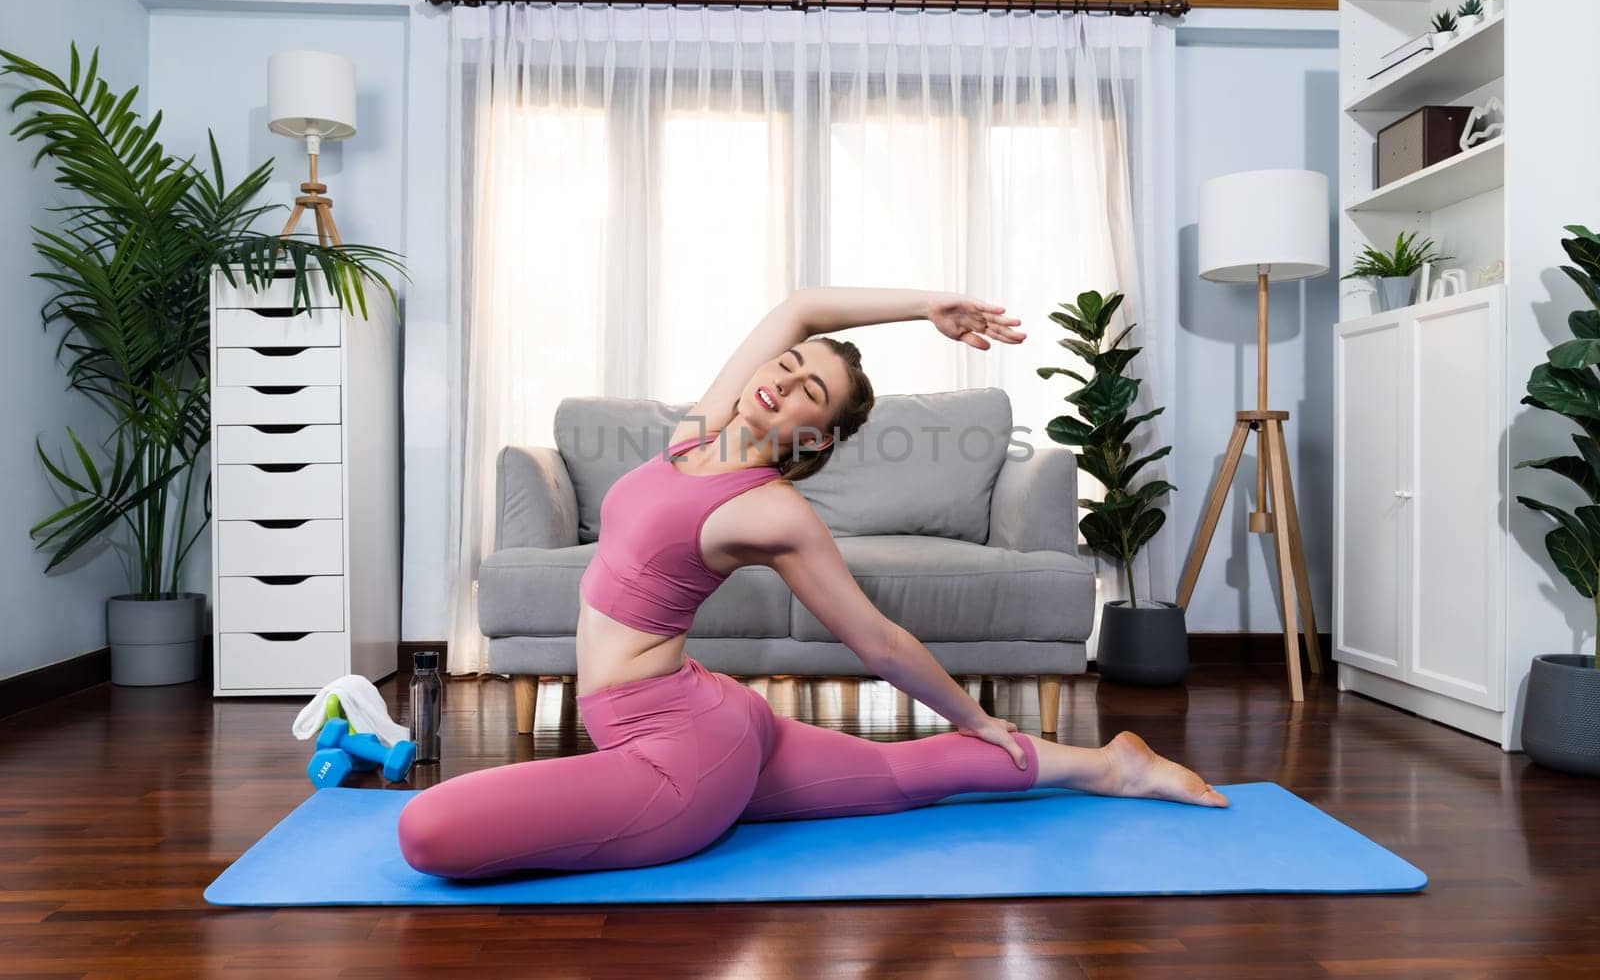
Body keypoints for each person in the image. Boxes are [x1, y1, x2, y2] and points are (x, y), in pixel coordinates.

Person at [398, 286, 1227, 879]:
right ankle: (1112, 766)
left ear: (818, 436)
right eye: (788, 366)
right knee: (899, 779)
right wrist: (931, 305)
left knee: (425, 833)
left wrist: (980, 717)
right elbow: (801, 305)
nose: (783, 380)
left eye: (808, 392)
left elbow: (877, 639)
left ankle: (1094, 766)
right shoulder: (698, 436)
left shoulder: (771, 511)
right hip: (709, 715)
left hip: (678, 762)